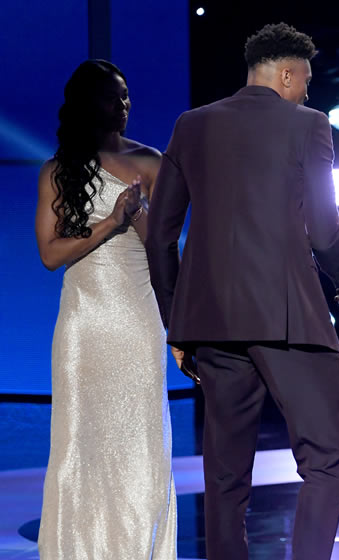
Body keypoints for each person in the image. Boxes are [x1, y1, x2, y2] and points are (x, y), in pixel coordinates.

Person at [145, 22, 339, 560]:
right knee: (326, 460)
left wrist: (178, 321)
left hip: (212, 322)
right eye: (306, 82)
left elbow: (160, 234)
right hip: (288, 317)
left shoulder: (191, 125)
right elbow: (323, 225)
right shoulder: (308, 124)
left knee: (224, 474)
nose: (308, 93)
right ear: (287, 74)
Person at [34, 59, 176, 558]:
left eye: (128, 94)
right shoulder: (58, 171)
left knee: (140, 443)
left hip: (138, 323)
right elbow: (50, 254)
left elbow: (165, 250)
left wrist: (136, 218)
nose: (125, 104)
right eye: (115, 96)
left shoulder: (152, 162)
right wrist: (111, 222)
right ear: (91, 104)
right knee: (78, 445)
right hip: (83, 327)